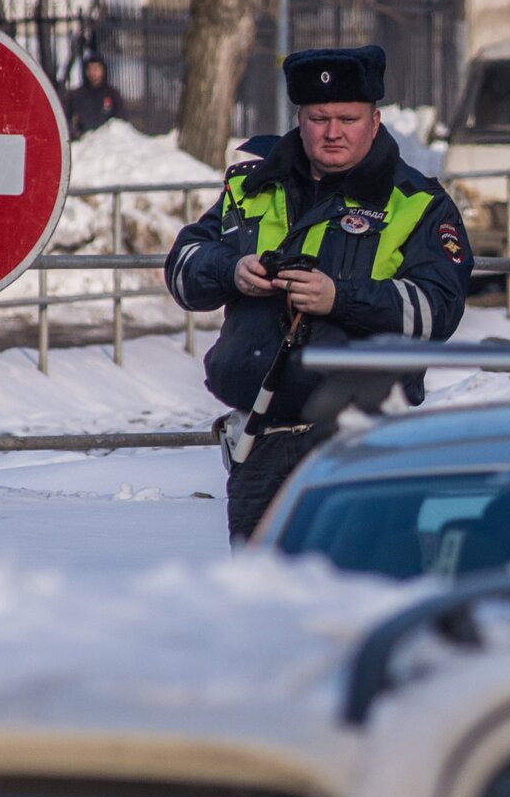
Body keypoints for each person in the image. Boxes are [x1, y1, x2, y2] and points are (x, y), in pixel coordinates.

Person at [164, 44, 475, 545]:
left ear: (375, 121)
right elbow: (181, 269)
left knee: (358, 597)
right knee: (261, 597)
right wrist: (232, 270)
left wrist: (339, 298)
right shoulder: (252, 186)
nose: (333, 132)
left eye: (348, 118)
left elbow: (437, 311)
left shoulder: (417, 203)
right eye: (319, 118)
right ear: (300, 119)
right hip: (260, 442)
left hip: (364, 442)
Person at [66, 54, 125, 139]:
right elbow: (66, 119)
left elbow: (121, 121)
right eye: (89, 69)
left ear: (103, 70)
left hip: (107, 143)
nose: (92, 72)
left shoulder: (112, 94)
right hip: (83, 143)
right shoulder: (75, 95)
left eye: (96, 68)